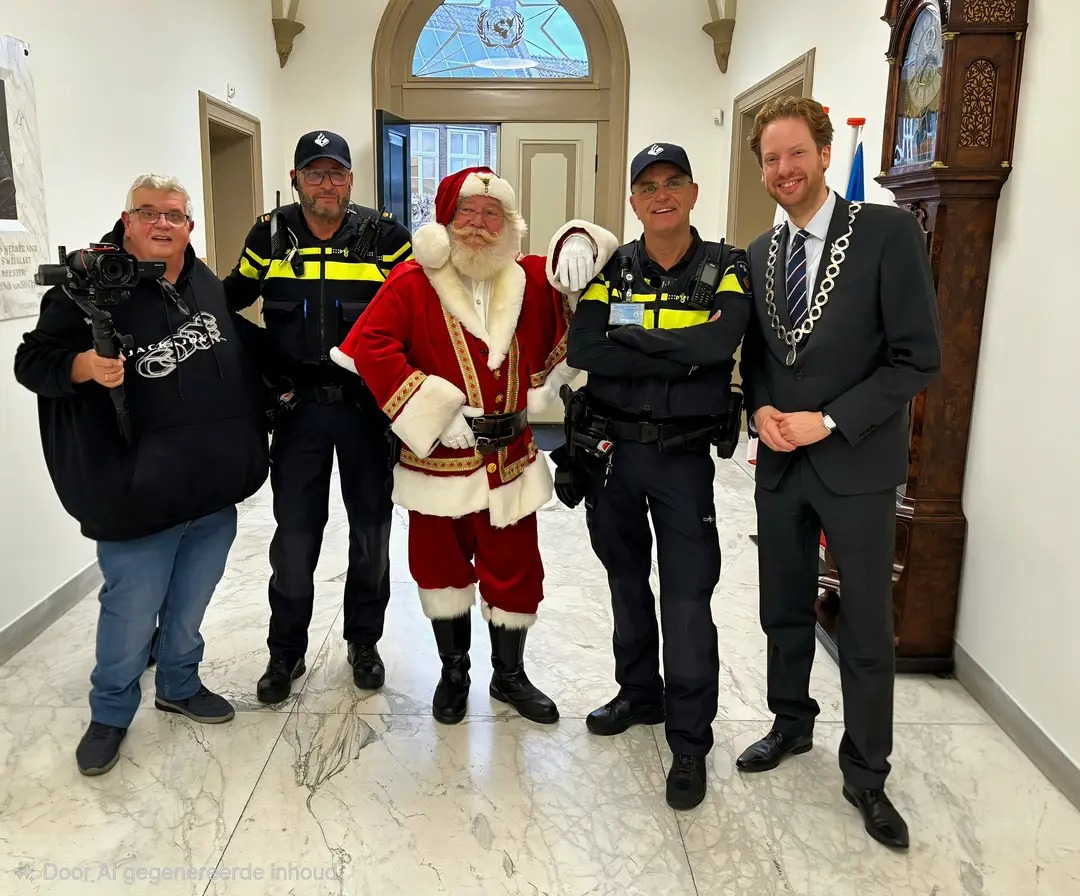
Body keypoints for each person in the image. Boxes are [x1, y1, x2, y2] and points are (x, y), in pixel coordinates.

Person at [331, 166, 618, 725]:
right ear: (445, 219)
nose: (480, 225)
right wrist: (433, 410)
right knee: (440, 570)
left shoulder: (528, 277)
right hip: (436, 462)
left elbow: (582, 265)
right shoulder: (413, 281)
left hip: (511, 460)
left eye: (493, 214)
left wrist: (581, 239)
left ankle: (509, 676)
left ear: (509, 224)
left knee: (516, 570)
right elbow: (371, 347)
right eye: (467, 212)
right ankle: (454, 671)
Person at [13, 173, 270, 775]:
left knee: (189, 606)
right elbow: (32, 360)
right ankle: (110, 713)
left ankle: (179, 685)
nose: (161, 223)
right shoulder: (88, 288)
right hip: (135, 492)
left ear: (189, 227)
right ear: (126, 221)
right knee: (130, 616)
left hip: (209, 489)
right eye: (148, 212)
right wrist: (82, 365)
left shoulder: (203, 283)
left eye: (173, 215)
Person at [736, 96, 941, 849]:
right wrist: (761, 408)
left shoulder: (886, 234)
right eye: (771, 159)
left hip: (856, 462)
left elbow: (917, 360)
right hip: (781, 466)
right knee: (782, 607)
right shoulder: (759, 252)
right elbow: (762, 356)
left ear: (824, 154)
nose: (783, 169)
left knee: (866, 625)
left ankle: (867, 772)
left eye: (796, 153)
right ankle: (791, 723)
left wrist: (827, 420)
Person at [559, 143, 751, 811]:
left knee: (688, 599)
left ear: (693, 193)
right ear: (634, 202)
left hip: (682, 460)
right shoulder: (612, 268)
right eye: (647, 187)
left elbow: (718, 344)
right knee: (625, 580)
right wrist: (679, 353)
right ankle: (639, 693)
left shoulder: (727, 266)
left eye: (673, 183)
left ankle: (690, 739)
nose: (661, 195)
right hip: (611, 454)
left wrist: (633, 341)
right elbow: (584, 348)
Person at [223, 131, 413, 704]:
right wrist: (261, 361)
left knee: (371, 533)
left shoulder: (386, 237)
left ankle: (364, 641)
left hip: (365, 412)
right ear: (295, 179)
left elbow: (417, 314)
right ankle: (286, 651)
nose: (326, 184)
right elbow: (228, 301)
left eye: (336, 173)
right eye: (314, 172)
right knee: (296, 537)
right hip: (298, 410)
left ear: (351, 180)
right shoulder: (269, 235)